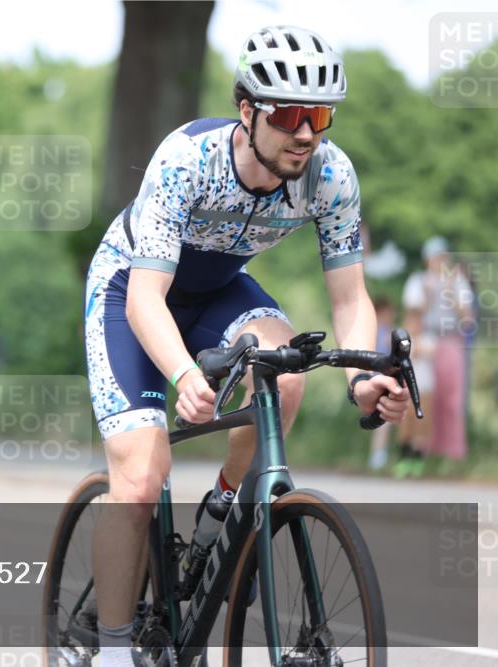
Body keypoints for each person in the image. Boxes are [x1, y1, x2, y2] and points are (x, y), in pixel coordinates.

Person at [83, 26, 410, 666]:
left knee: (288, 374)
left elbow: (349, 299)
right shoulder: (186, 160)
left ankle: (222, 516)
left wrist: (360, 377)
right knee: (142, 477)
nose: (307, 132)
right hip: (134, 290)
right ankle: (115, 651)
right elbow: (148, 298)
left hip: (219, 289)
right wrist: (184, 376)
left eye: (319, 115)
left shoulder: (331, 176)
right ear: (246, 109)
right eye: (288, 114)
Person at [397, 237, 472, 474]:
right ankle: (416, 453)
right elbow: (413, 315)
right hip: (425, 342)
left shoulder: (457, 282)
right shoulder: (418, 282)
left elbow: (467, 318)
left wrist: (450, 290)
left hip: (450, 341)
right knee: (421, 398)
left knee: (451, 399)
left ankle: (449, 454)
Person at [368, 295, 396, 470]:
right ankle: (378, 457)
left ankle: (379, 455)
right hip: (381, 381)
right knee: (384, 421)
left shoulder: (371, 330)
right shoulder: (384, 332)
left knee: (382, 421)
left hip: (375, 379)